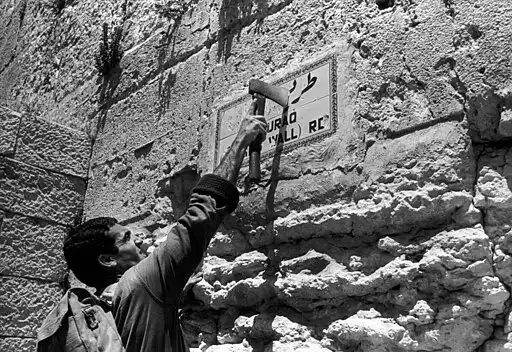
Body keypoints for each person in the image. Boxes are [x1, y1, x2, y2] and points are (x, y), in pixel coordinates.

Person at [62, 101, 267, 352]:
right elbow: (199, 218)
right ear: (107, 259)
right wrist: (241, 140)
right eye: (125, 238)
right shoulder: (141, 283)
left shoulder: (102, 307)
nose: (138, 237)